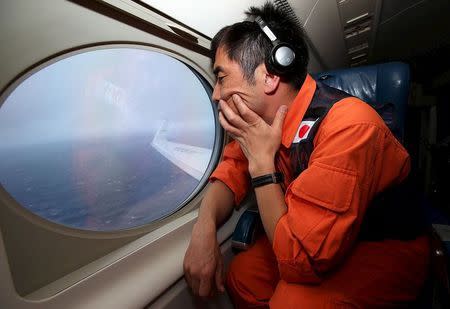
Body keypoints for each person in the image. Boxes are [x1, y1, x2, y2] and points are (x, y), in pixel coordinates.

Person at [183, 2, 430, 308]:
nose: (216, 95)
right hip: (307, 233)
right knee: (241, 277)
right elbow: (229, 175)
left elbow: (302, 262)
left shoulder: (350, 126)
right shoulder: (259, 126)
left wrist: (262, 165)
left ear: (270, 76)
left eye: (221, 78)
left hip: (385, 244)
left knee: (293, 302)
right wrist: (204, 227)